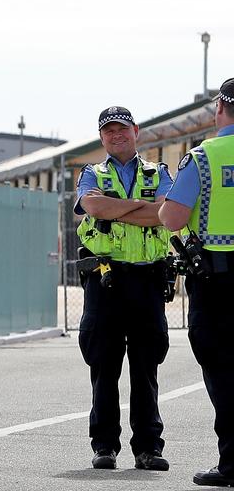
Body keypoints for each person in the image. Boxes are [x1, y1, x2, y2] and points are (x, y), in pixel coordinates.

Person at [72, 106, 173, 471]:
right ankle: (104, 446)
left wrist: (117, 210)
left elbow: (167, 212)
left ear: (136, 131)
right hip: (105, 278)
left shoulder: (158, 171)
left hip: (147, 279)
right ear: (102, 137)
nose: (116, 135)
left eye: (122, 129)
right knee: (104, 364)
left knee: (146, 367)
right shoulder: (91, 173)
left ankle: (148, 448)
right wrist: (141, 208)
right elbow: (92, 205)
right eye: (109, 131)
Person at [160, 78, 234, 486]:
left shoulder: (203, 158)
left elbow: (171, 218)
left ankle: (233, 463)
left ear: (219, 110)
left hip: (219, 282)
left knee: (224, 371)